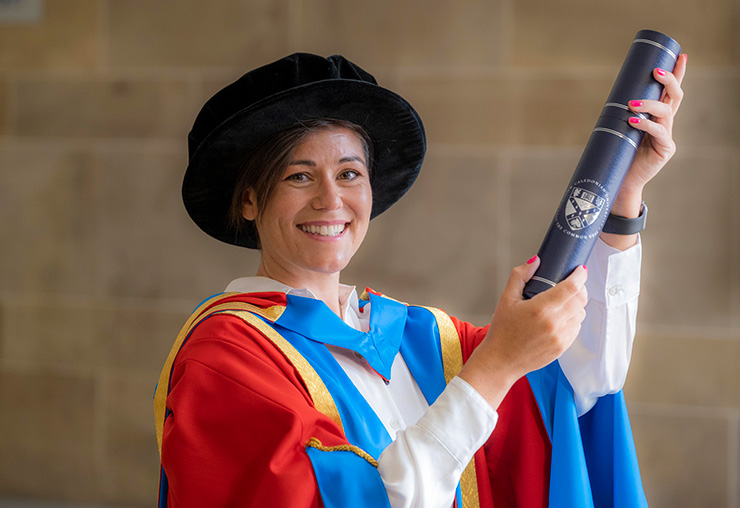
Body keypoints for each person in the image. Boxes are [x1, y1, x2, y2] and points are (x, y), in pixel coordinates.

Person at [154, 52, 687, 508]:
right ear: (249, 199)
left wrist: (622, 196)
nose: (330, 200)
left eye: (349, 174)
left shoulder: (419, 338)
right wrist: (497, 365)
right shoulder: (225, 358)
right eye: (299, 175)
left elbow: (578, 384)